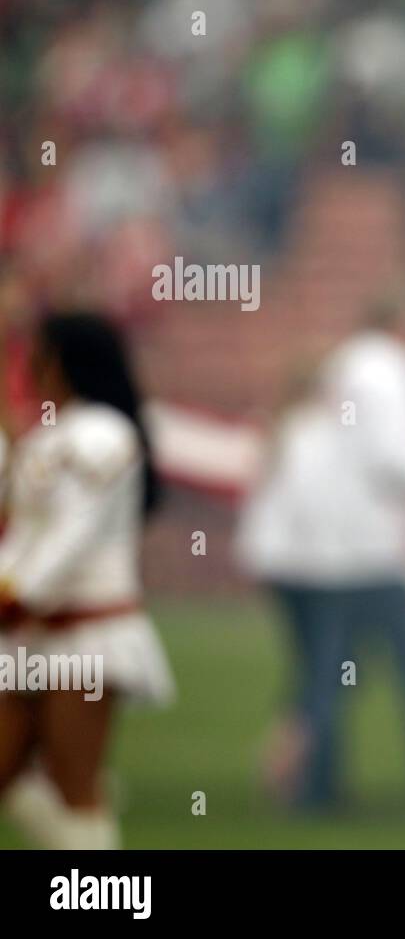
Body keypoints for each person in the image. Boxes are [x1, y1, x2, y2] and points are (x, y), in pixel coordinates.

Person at [236, 300, 405, 809]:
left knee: (322, 674)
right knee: (395, 671)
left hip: (304, 566)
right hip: (350, 563)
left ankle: (314, 783)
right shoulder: (320, 430)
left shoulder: (295, 428)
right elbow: (396, 466)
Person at [0, 312, 174, 849]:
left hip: (87, 634)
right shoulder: (49, 435)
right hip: (32, 631)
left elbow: (71, 537)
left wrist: (14, 592)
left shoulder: (102, 435)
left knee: (75, 782)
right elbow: (27, 534)